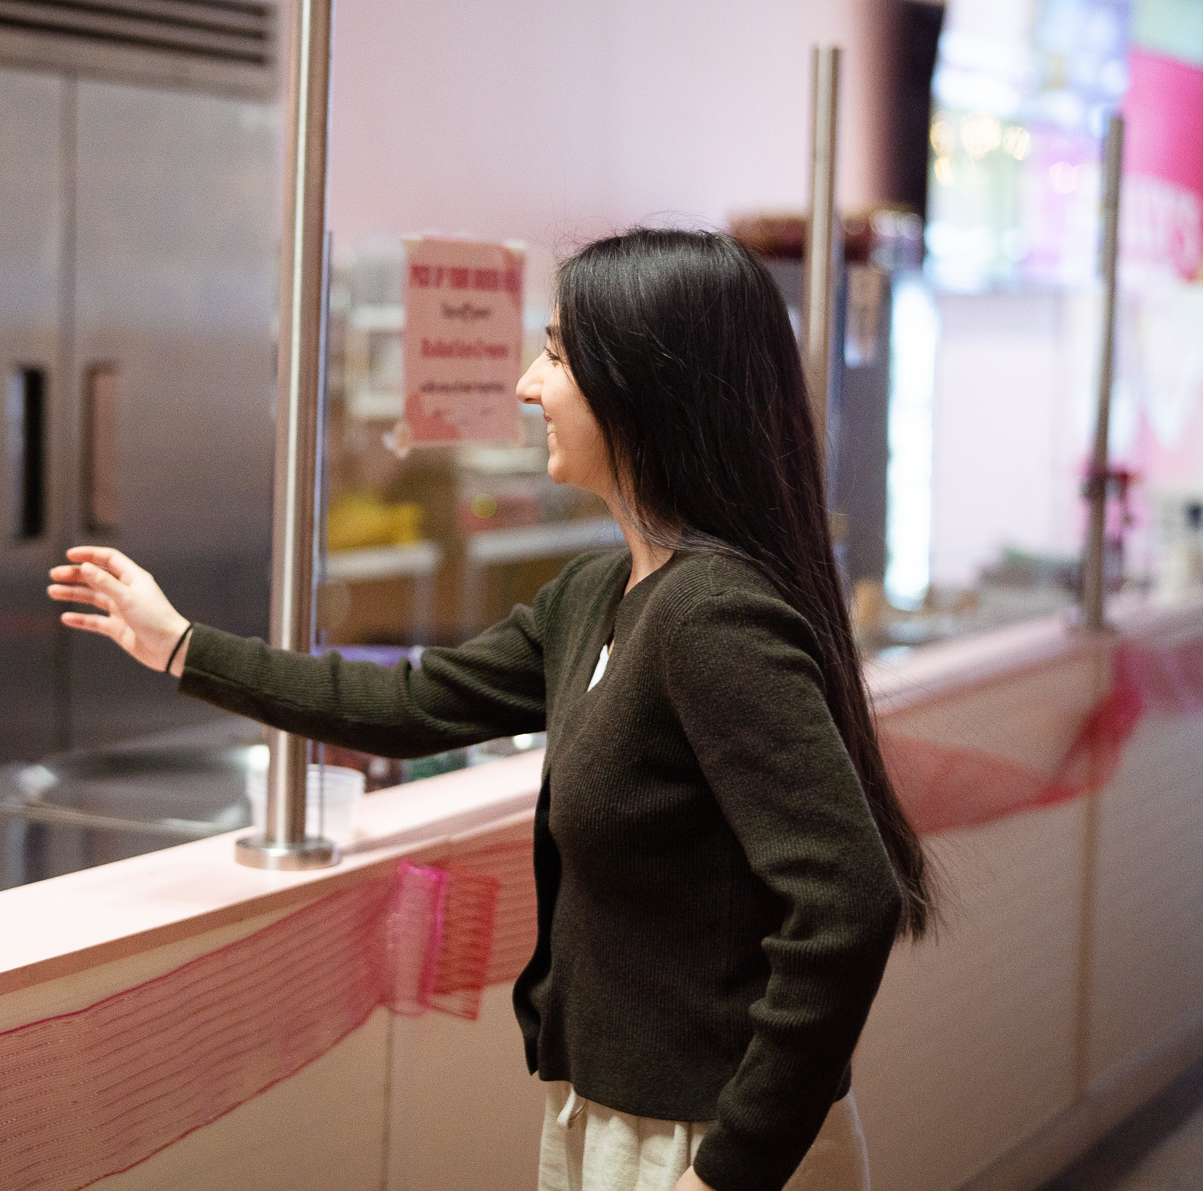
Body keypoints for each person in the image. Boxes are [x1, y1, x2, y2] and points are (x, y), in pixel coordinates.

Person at [48, 227, 930, 1191]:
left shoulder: (712, 617)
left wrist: (729, 1168)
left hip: (705, 1143)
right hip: (612, 1112)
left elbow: (849, 898)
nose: (525, 384)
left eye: (555, 354)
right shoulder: (596, 594)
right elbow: (409, 701)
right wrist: (182, 645)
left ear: (640, 385)